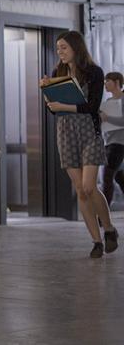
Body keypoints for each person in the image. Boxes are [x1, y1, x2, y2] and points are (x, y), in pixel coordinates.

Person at [43, 31, 118, 258]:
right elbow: (54, 110)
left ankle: (109, 228)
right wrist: (48, 95)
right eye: (58, 48)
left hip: (89, 133)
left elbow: (92, 107)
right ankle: (96, 241)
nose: (60, 52)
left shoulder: (94, 72)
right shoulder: (59, 72)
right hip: (65, 133)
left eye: (64, 47)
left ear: (76, 47)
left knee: (88, 186)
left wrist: (62, 106)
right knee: (80, 191)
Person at [99, 71, 124, 206]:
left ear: (117, 83)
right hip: (108, 144)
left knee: (107, 178)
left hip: (118, 144)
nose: (105, 85)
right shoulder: (108, 102)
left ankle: (103, 216)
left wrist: (107, 118)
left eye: (107, 81)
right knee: (120, 178)